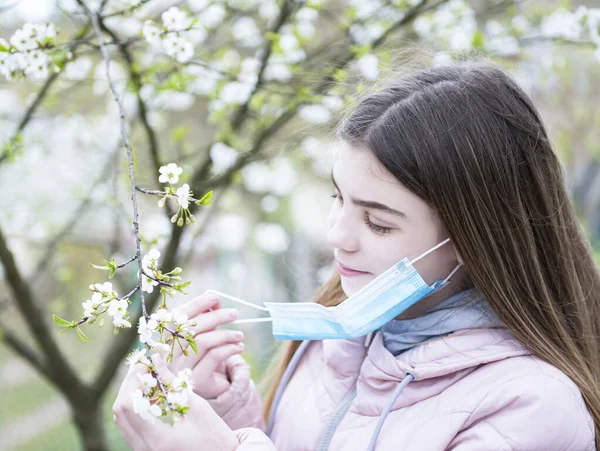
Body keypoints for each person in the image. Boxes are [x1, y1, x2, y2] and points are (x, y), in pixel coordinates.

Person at [112, 60, 600, 450]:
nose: (337, 237)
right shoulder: (333, 334)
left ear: (476, 240)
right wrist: (221, 409)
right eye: (337, 198)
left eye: (378, 222)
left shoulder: (530, 409)